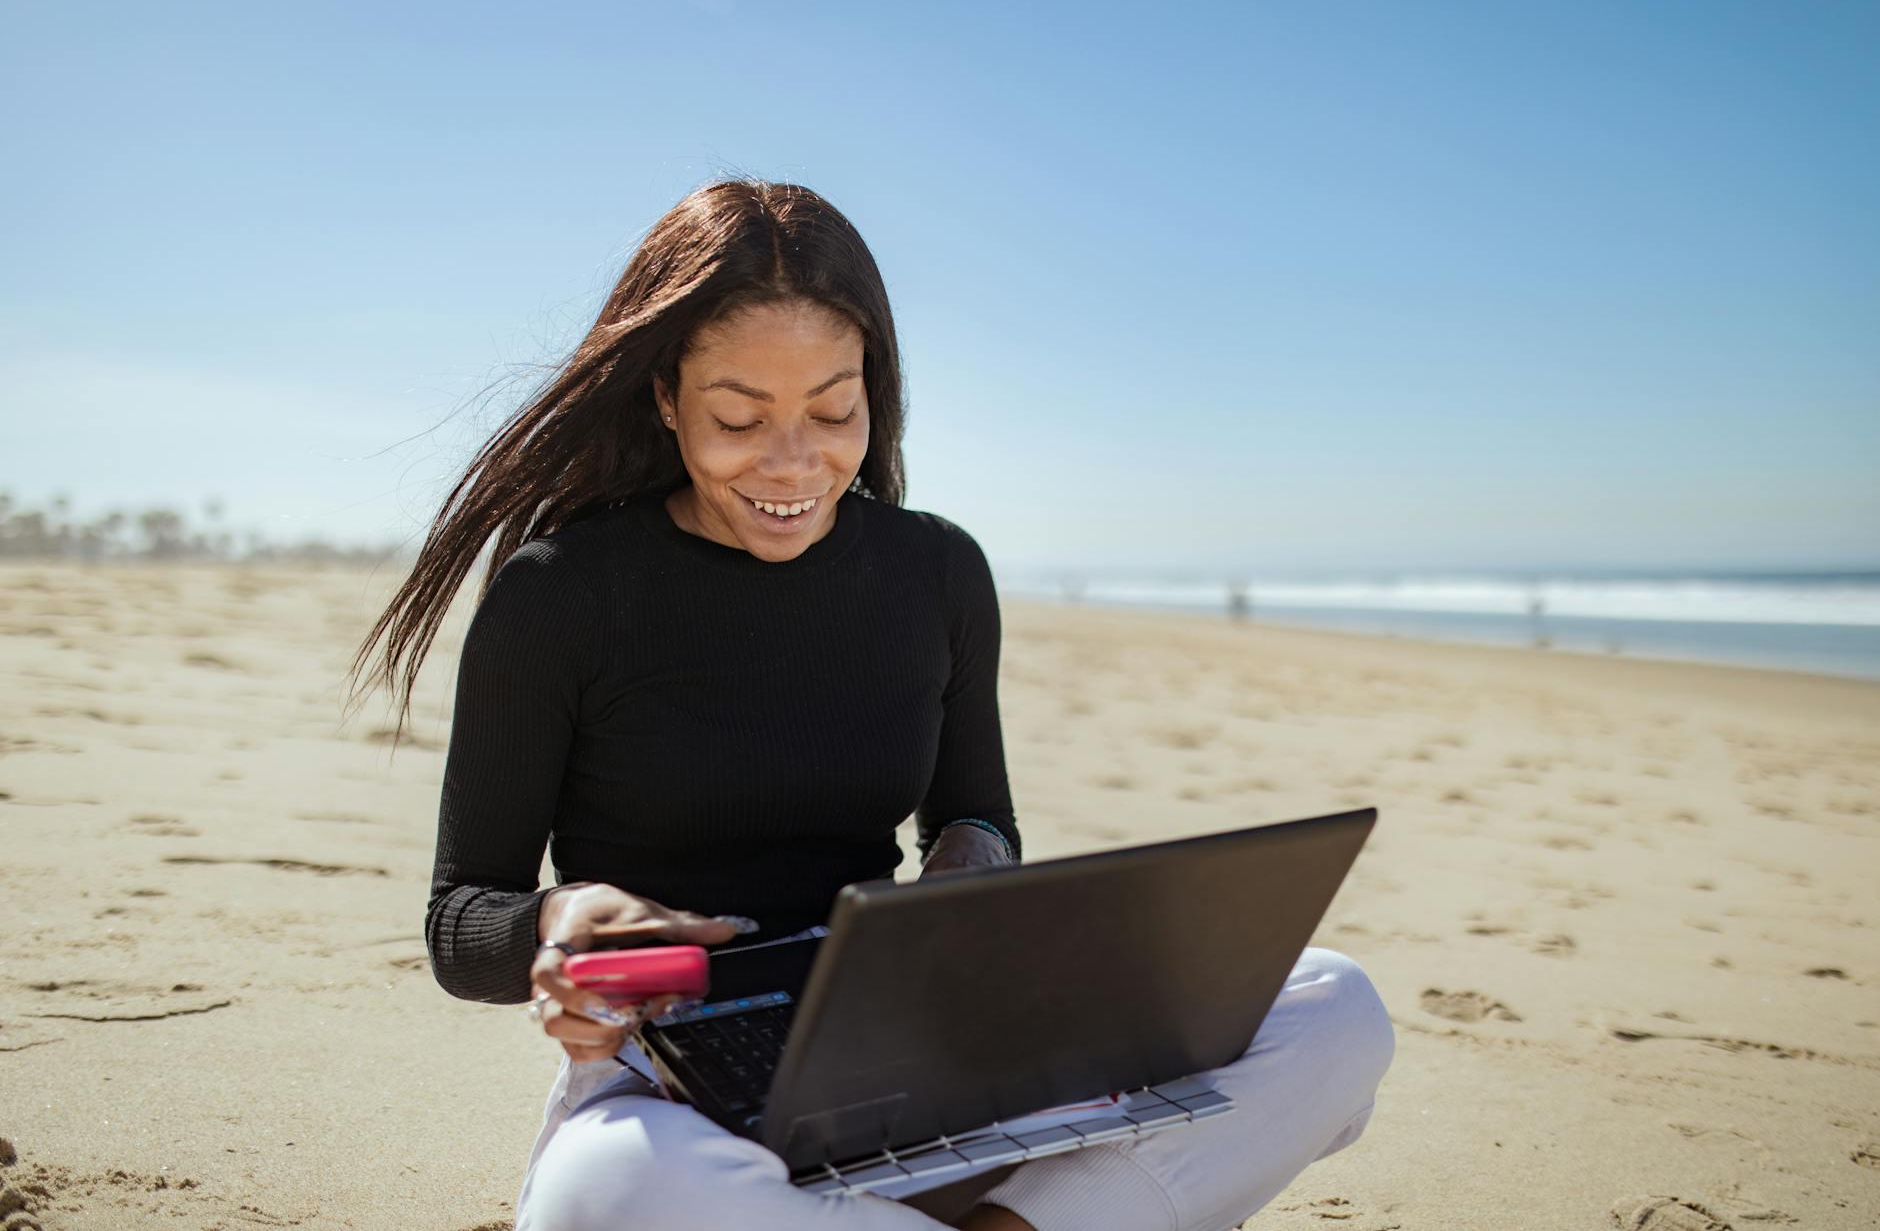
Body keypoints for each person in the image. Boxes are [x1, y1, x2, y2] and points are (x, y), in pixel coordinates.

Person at [350, 178, 1394, 1231]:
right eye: (737, 416)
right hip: (675, 1088)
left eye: (832, 410)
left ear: (873, 390)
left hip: (920, 1043)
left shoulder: (934, 571)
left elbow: (974, 815)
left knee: (1331, 1003)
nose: (793, 462)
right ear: (666, 396)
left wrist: (975, 871)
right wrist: (558, 921)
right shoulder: (561, 592)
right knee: (607, 1190)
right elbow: (459, 920)